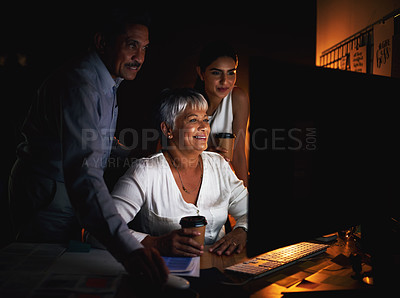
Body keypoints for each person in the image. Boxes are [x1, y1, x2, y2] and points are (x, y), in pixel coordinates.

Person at [8, 9, 168, 285]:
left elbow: (94, 137)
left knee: (66, 268)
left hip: (64, 190)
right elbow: (84, 171)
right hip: (49, 195)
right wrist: (130, 250)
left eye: (144, 48)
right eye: (132, 45)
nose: (139, 58)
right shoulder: (81, 85)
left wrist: (129, 154)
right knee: (41, 274)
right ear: (102, 42)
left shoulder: (106, 79)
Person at [111, 88, 248, 257]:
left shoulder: (219, 165)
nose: (204, 127)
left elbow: (248, 211)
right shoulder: (145, 172)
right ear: (168, 129)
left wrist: (241, 231)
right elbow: (100, 229)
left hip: (219, 269)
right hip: (165, 275)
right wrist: (155, 243)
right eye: (193, 120)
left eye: (205, 119)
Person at [194, 41, 250, 187]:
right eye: (216, 72)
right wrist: (205, 156)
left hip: (224, 181)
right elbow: (169, 152)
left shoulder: (238, 98)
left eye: (231, 72)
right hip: (193, 181)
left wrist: (245, 195)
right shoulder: (188, 104)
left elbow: (238, 153)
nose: (225, 81)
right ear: (201, 73)